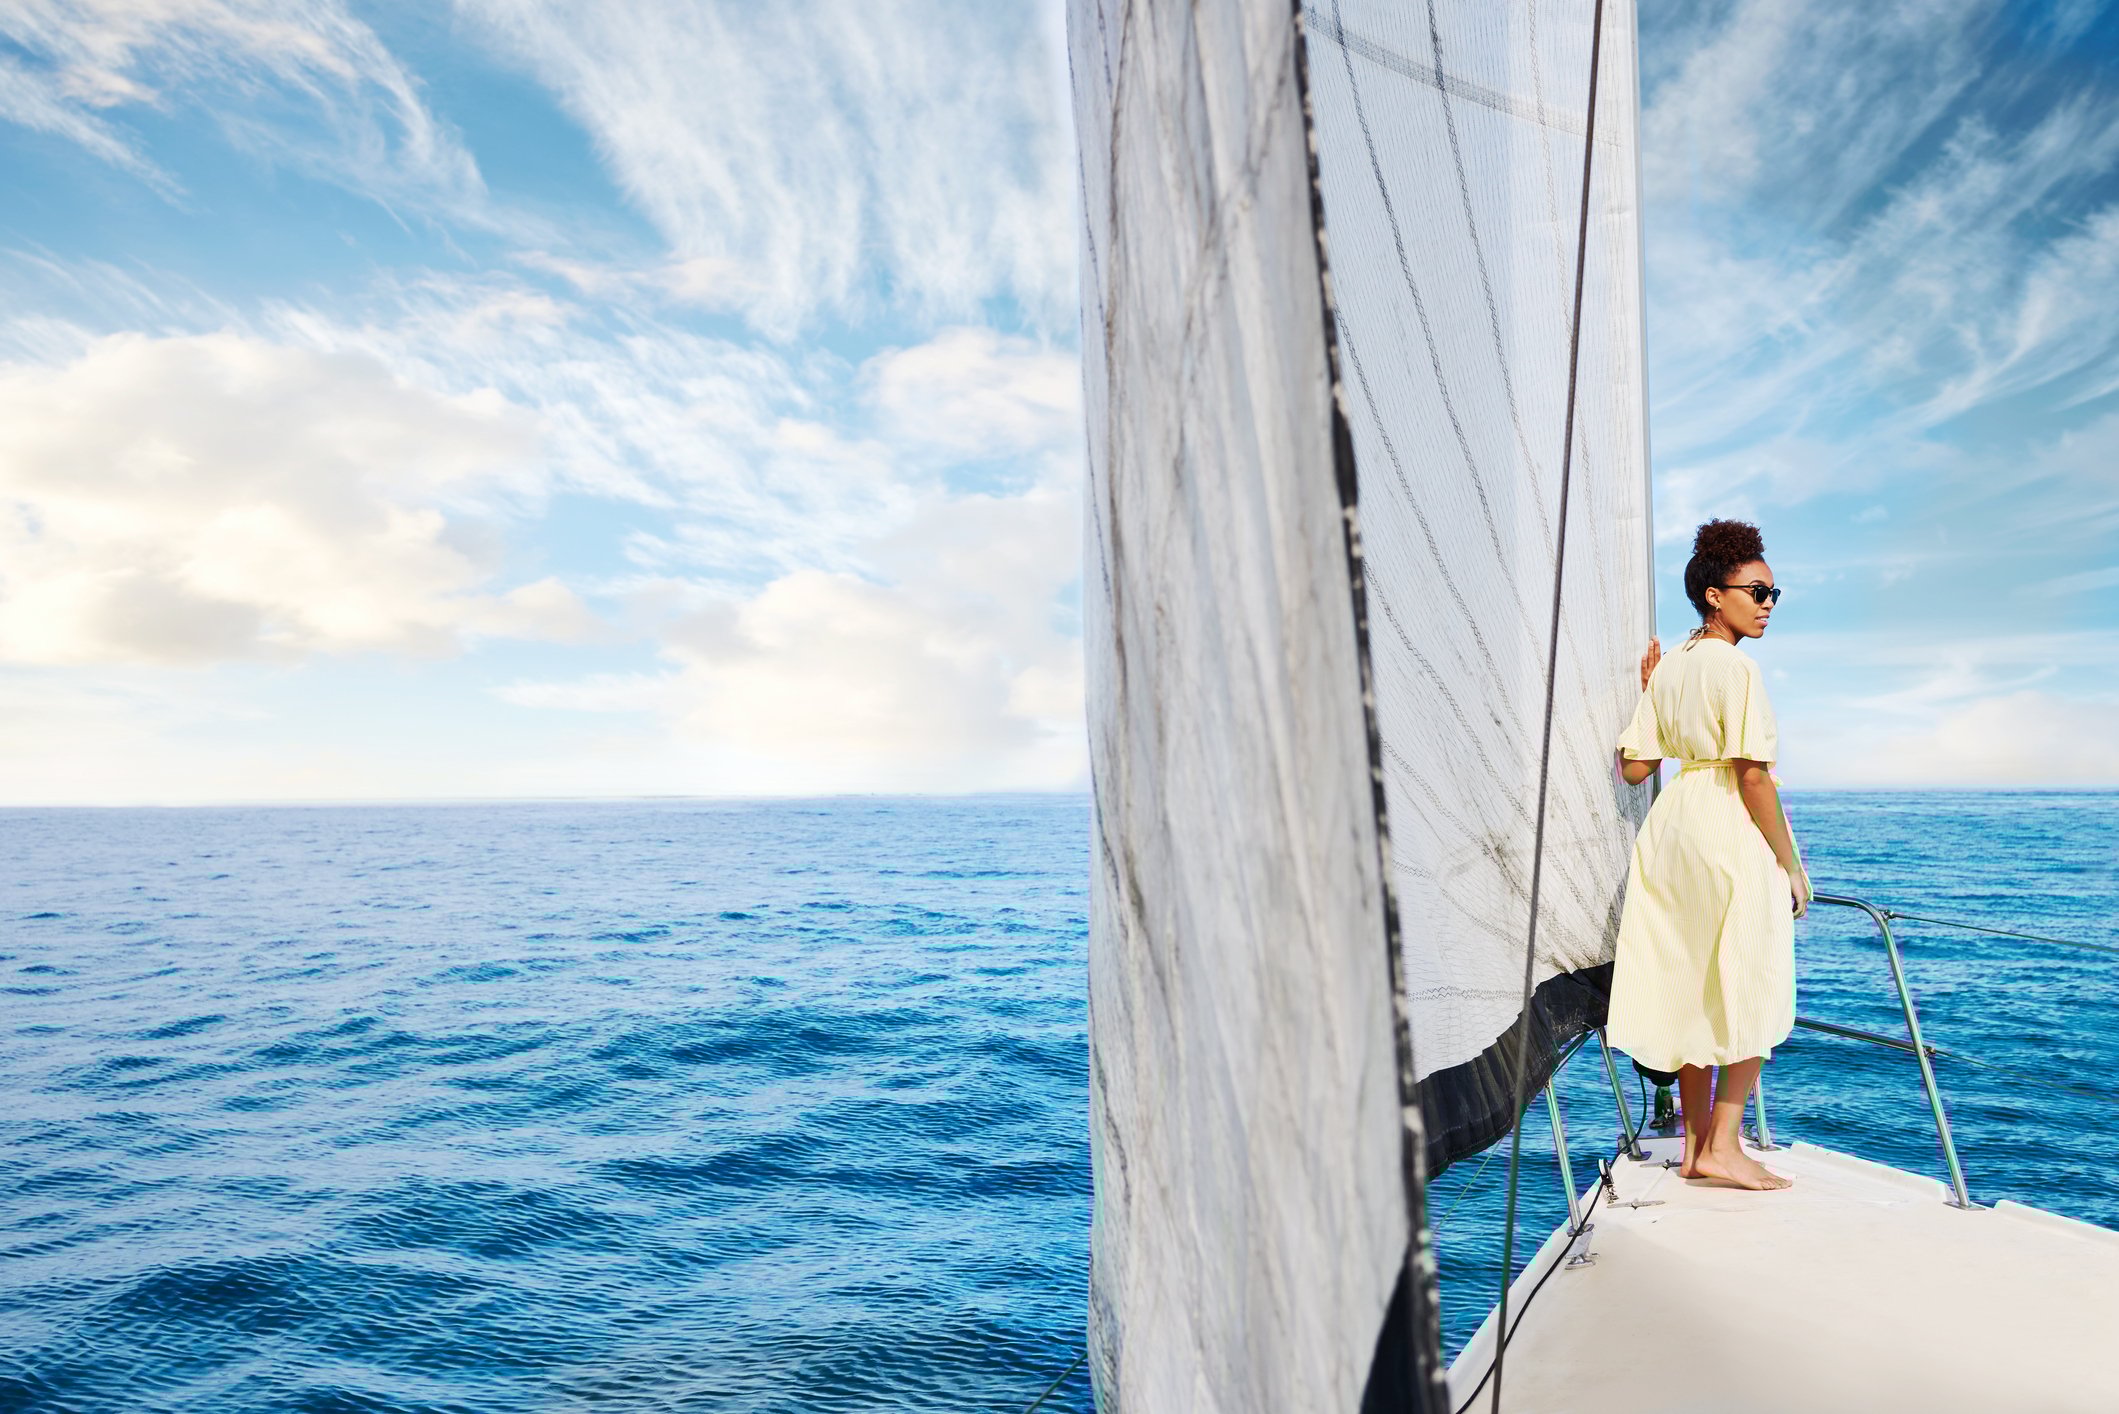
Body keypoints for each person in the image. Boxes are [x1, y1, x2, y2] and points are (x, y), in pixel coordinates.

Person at [1608, 519, 1809, 1191]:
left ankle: (1695, 1146)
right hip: (1725, 824)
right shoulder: (1736, 667)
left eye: (1773, 593)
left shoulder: (1671, 667)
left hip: (1674, 829)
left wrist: (1653, 697)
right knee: (1753, 979)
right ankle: (1724, 1144)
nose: (1767, 604)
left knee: (1694, 980)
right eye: (1756, 591)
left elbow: (1635, 768)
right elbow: (1752, 776)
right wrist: (1790, 865)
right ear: (1714, 596)